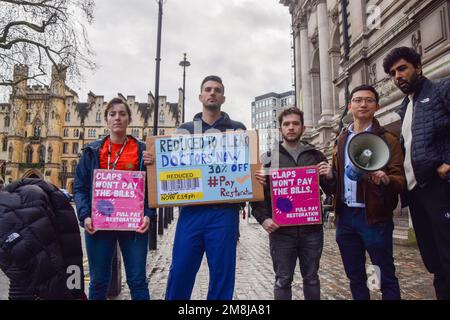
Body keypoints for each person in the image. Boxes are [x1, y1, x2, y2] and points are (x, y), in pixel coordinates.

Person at [144, 75, 246, 300]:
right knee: (180, 271)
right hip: (191, 212)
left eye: (217, 90)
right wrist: (154, 161)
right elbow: (169, 166)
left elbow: (246, 168)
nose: (212, 93)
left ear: (223, 97)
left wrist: (255, 175)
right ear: (200, 96)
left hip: (225, 213)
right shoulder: (185, 130)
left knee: (222, 275)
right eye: (208, 89)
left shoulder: (238, 130)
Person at [320, 85, 406, 300]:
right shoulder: (341, 139)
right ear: (350, 106)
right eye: (358, 100)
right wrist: (330, 177)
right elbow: (336, 183)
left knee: (382, 273)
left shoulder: (388, 139)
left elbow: (400, 180)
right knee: (356, 275)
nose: (363, 104)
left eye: (369, 100)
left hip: (374, 217)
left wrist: (386, 179)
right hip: (346, 217)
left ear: (376, 106)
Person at [383, 47, 450, 299]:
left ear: (418, 68)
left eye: (402, 68)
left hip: (439, 188)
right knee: (434, 261)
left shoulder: (442, 90)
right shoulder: (406, 106)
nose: (397, 76)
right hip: (416, 193)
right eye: (392, 73)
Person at [74, 97, 156, 300]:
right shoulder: (91, 151)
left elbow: (153, 188)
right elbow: (80, 187)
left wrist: (148, 214)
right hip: (99, 224)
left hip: (134, 225)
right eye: (112, 114)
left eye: (122, 114)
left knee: (137, 281)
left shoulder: (143, 151)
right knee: (98, 282)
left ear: (129, 119)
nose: (117, 118)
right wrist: (85, 216)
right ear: (106, 120)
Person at [251, 107, 333, 300]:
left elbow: (331, 191)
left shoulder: (315, 155)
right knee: (282, 280)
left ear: (302, 128)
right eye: (286, 124)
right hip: (281, 232)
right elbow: (257, 196)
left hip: (311, 231)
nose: (291, 127)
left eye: (295, 123)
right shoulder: (267, 159)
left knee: (311, 278)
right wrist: (263, 219)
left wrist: (329, 175)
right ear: (280, 129)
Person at [0, 178, 85, 300]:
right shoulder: (41, 191)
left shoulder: (14, 204)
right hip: (56, 278)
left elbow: (37, 263)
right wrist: (76, 292)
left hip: (36, 285)